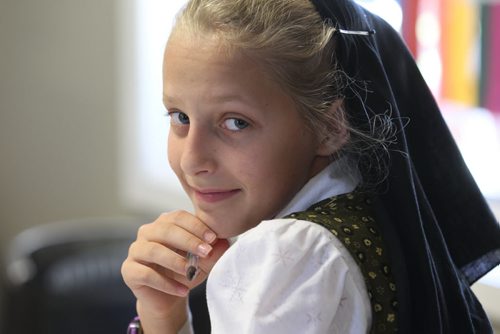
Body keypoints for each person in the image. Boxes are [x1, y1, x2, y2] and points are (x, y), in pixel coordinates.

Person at [121, 0, 500, 333]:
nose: (192, 159)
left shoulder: (289, 258)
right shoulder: (366, 208)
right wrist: (163, 314)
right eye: (180, 116)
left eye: (236, 122)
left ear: (330, 127)